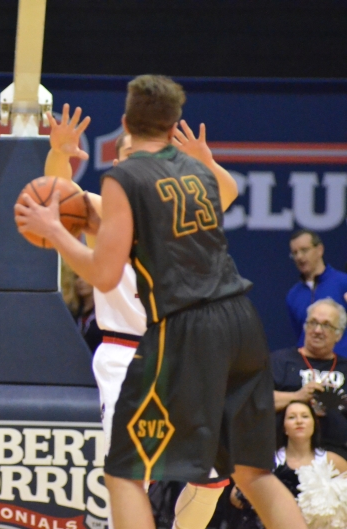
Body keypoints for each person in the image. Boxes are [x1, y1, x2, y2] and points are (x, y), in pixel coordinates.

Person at [15, 75, 306, 529]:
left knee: (174, 477)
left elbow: (66, 223)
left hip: (177, 339)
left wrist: (53, 229)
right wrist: (59, 155)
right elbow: (61, 193)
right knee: (247, 474)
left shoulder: (138, 186)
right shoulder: (158, 191)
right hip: (164, 341)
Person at [45, 124, 226, 529]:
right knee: (130, 476)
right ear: (118, 164)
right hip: (127, 356)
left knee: (213, 476)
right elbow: (56, 196)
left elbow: (226, 192)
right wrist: (59, 154)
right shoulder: (103, 212)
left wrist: (207, 162)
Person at [230, 400, 347, 529]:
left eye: (305, 416)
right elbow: (235, 496)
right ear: (284, 428)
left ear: (314, 424)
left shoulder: (332, 460)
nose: (299, 421)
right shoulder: (268, 460)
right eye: (292, 417)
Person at [272, 298, 347, 459]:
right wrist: (297, 396)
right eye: (313, 323)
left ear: (339, 334)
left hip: (338, 454)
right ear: (305, 326)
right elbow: (257, 402)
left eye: (326, 325)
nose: (317, 330)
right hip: (285, 454)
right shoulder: (280, 361)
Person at [286, 230, 347, 357]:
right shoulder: (293, 295)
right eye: (295, 253)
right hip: (307, 364)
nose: (299, 257)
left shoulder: (343, 283)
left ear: (319, 250)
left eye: (304, 250)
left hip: (341, 363)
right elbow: (300, 334)